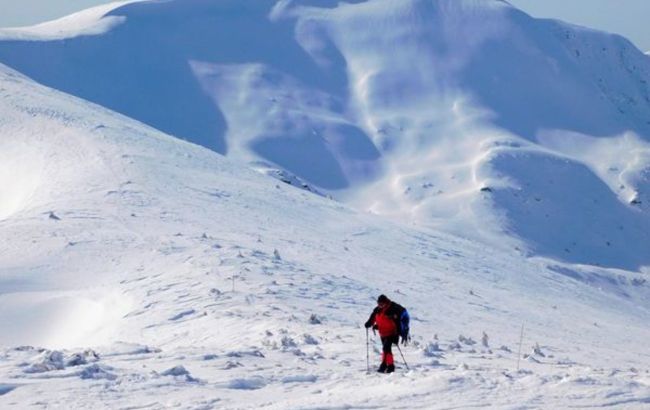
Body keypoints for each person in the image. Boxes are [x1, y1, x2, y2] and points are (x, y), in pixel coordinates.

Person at [364, 294, 410, 373]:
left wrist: (394, 318)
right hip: (383, 333)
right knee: (386, 349)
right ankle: (387, 365)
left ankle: (387, 366)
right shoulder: (377, 310)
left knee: (386, 348)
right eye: (379, 303)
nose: (380, 305)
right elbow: (372, 319)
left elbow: (397, 319)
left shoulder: (392, 308)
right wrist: (369, 323)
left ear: (385, 302)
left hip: (392, 333)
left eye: (382, 303)